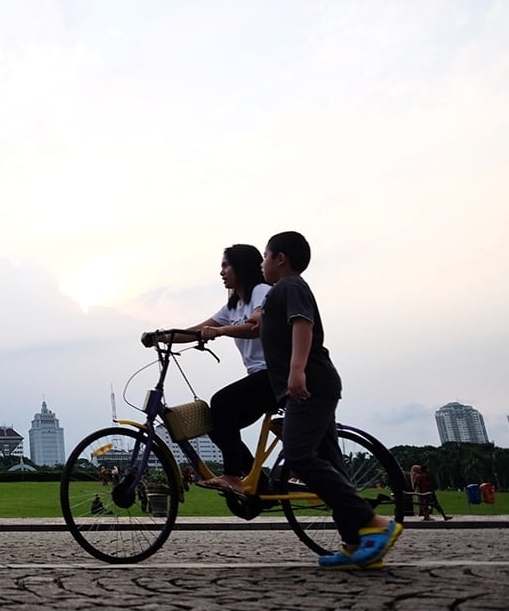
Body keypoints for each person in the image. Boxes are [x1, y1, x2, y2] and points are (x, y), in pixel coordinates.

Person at [259, 231, 402, 569]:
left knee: (298, 455)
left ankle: (377, 525)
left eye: (265, 256)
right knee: (329, 463)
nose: (262, 263)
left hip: (311, 383)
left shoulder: (289, 286)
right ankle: (357, 543)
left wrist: (296, 372)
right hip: (314, 383)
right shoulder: (280, 292)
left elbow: (302, 325)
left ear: (281, 259)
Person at [143, 244, 275, 496]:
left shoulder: (260, 291)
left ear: (242, 267)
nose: (221, 271)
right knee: (215, 422)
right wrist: (160, 336)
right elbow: (195, 331)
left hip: (274, 375)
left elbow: (256, 326)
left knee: (221, 402)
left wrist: (220, 331)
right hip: (259, 379)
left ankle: (233, 476)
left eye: (226, 265)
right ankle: (260, 485)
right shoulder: (233, 307)